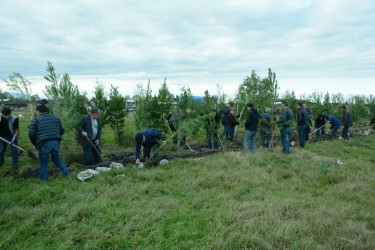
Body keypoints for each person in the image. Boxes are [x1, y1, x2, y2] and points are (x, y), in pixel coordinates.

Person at [29, 105, 70, 181]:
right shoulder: (56, 118)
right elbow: (62, 131)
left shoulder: (36, 120)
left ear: (38, 111)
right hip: (56, 142)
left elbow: (31, 133)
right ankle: (67, 173)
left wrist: (35, 144)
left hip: (44, 143)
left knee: (43, 162)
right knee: (56, 159)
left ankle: (44, 180)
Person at [0, 107, 19, 174]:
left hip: (12, 136)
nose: (7, 117)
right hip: (2, 136)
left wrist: (13, 139)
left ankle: (15, 165)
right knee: (1, 150)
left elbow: (17, 131)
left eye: (9, 115)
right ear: (2, 114)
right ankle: (1, 163)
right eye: (6, 115)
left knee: (14, 151)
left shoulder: (14, 119)